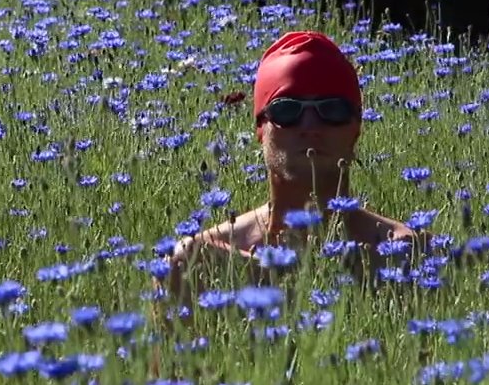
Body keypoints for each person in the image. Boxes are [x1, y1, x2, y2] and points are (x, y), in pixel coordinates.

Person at [159, 30, 430, 314]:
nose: (310, 126)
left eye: (332, 109)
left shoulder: (411, 255)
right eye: (287, 110)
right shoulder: (196, 264)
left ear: (356, 128)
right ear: (260, 130)